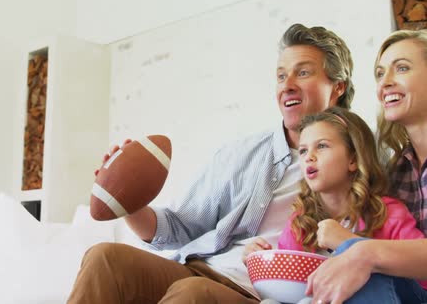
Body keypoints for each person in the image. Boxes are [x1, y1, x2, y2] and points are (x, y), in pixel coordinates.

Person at [67, 23, 356, 303]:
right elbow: (178, 227)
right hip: (200, 269)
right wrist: (127, 201)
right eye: (281, 77)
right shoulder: (242, 154)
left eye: (303, 73)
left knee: (193, 293)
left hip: (252, 292)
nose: (288, 86)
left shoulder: (360, 162)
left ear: (338, 86)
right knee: (105, 259)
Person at [251, 107, 425, 304]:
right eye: (303, 150)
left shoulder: (388, 213)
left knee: (359, 263)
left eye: (322, 146)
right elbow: (290, 284)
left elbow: (421, 280)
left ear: (353, 159)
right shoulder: (300, 220)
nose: (309, 156)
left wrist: (347, 242)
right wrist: (259, 259)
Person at [303, 30, 427, 304]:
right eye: (380, 74)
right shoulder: (398, 170)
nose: (385, 83)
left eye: (402, 68)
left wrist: (364, 252)